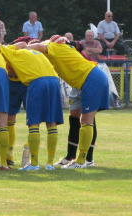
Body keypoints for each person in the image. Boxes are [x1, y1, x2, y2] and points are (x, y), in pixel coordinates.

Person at [27, 35, 109, 169]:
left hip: (91, 78)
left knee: (87, 120)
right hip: (80, 82)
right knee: (75, 118)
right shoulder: (58, 48)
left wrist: (21, 48)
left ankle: (83, 160)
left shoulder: (53, 46)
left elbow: (40, 46)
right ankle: (71, 156)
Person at [0, 42, 63, 171]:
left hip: (37, 82)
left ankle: (34, 164)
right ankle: (50, 164)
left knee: (33, 123)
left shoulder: (12, 53)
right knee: (52, 122)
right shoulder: (34, 52)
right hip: (54, 81)